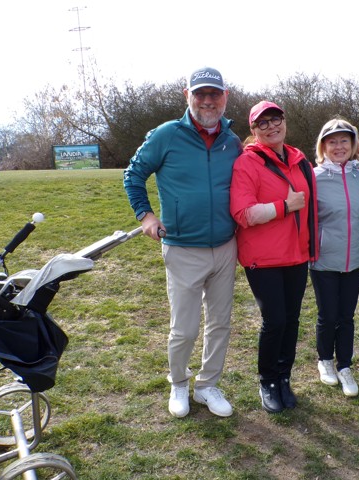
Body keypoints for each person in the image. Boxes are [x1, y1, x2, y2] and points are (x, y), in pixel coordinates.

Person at [123, 66, 242, 418]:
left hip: (225, 246)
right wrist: (145, 215)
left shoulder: (232, 141)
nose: (207, 101)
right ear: (187, 95)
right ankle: (178, 383)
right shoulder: (167, 134)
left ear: (225, 97)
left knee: (220, 324)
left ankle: (207, 385)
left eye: (214, 94)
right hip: (182, 247)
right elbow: (134, 174)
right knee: (185, 329)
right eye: (200, 93)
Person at [230, 100, 318, 414]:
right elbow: (243, 213)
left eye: (276, 119)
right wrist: (284, 207)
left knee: (291, 320)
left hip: (296, 255)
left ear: (284, 121)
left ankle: (284, 378)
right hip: (263, 259)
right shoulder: (247, 163)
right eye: (263, 123)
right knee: (275, 321)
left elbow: (311, 209)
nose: (271, 126)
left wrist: (311, 248)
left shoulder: (299, 159)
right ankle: (267, 380)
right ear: (253, 130)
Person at [310, 118, 359, 397]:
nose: (339, 146)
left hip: (354, 258)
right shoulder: (314, 177)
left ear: (353, 144)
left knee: (346, 316)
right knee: (328, 314)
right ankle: (325, 360)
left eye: (344, 140)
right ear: (323, 146)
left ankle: (344, 365)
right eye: (332, 141)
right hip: (323, 259)